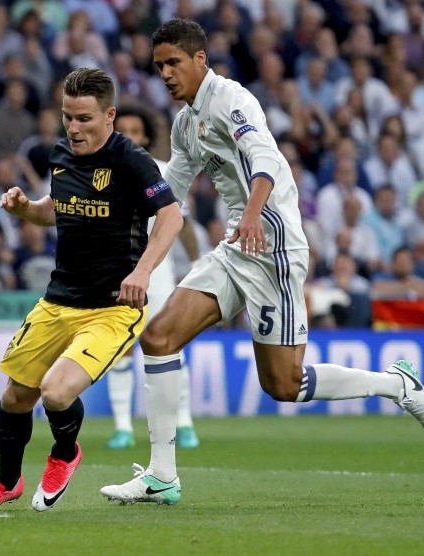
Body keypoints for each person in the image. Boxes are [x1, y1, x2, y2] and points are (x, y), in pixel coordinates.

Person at [100, 18, 424, 507]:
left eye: (174, 63)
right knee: (160, 336)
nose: (165, 73)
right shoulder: (187, 124)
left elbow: (267, 159)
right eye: (159, 65)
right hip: (236, 247)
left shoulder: (233, 100)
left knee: (284, 384)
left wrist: (252, 215)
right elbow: (172, 191)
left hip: (272, 246)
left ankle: (397, 384)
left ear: (199, 60)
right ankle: (161, 476)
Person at [0, 67, 183, 512]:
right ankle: (8, 482)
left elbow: (172, 217)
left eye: (84, 119)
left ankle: (64, 453)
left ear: (109, 114)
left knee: (57, 392)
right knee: (15, 397)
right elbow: (56, 211)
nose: (73, 128)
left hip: (113, 307)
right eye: (67, 117)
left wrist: (143, 272)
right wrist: (26, 210)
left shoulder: (133, 161)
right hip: (58, 300)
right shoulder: (61, 154)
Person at [104, 105, 200, 450]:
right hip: (116, 273)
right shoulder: (100, 174)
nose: (129, 135)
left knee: (171, 344)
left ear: (145, 136)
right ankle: (122, 427)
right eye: (123, 129)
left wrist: (195, 262)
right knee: (121, 349)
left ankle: (185, 422)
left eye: (135, 129)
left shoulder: (162, 173)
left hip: (158, 274)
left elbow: (180, 223)